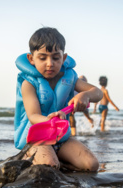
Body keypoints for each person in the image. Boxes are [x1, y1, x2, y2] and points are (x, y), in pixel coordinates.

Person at [14, 27, 103, 172]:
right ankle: (32, 156)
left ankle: (58, 160)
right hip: (37, 139)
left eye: (56, 58)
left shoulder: (69, 78)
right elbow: (33, 116)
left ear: (64, 58)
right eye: (42, 58)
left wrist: (85, 95)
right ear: (31, 59)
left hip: (60, 139)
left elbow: (98, 93)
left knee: (92, 165)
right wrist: (53, 120)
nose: (50, 63)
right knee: (49, 167)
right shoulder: (28, 83)